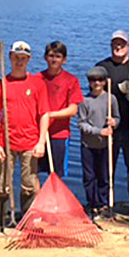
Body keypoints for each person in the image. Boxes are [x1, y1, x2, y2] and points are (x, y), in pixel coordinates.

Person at [0, 41, 50, 234]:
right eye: (16, 58)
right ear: (10, 58)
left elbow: (44, 114)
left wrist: (41, 141)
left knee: (29, 184)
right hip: (7, 142)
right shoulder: (1, 84)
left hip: (30, 142)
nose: (19, 62)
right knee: (2, 183)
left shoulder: (37, 83)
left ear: (28, 60)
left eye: (23, 58)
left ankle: (27, 222)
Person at [96, 31, 129, 186]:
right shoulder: (102, 67)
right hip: (109, 125)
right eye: (115, 43)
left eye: (121, 44)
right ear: (110, 46)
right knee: (106, 166)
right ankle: (105, 200)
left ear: (128, 46)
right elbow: (95, 96)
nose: (118, 47)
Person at [77, 66, 120, 218]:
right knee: (89, 177)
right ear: (89, 82)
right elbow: (82, 123)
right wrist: (98, 131)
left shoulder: (111, 99)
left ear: (104, 82)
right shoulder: (84, 100)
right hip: (88, 145)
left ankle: (103, 203)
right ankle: (91, 203)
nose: (96, 83)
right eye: (93, 80)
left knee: (104, 175)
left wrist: (114, 122)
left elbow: (117, 118)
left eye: (100, 80)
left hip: (105, 145)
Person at [39, 41, 83, 177]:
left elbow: (73, 110)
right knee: (34, 172)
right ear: (45, 57)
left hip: (59, 134)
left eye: (58, 56)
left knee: (56, 174)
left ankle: (55, 198)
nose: (54, 59)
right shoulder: (37, 78)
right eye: (51, 56)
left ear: (64, 60)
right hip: (38, 134)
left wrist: (49, 115)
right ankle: (37, 198)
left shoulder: (71, 80)